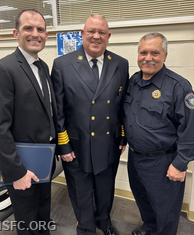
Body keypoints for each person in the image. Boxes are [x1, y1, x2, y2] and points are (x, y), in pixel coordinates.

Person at [51, 14, 129, 235]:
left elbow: (123, 105)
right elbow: (58, 111)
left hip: (109, 142)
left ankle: (104, 222)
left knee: (106, 189)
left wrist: (122, 136)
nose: (96, 36)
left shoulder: (120, 64)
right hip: (76, 144)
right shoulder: (62, 65)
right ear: (82, 34)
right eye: (91, 31)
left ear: (108, 36)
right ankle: (85, 228)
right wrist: (63, 146)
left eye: (101, 32)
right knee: (81, 191)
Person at [0, 9, 58, 235]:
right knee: (27, 222)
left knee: (42, 213)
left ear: (46, 35)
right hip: (21, 163)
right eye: (28, 28)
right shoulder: (3, 69)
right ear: (16, 33)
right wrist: (17, 173)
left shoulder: (43, 67)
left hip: (43, 159)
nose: (35, 33)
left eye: (40, 29)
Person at [123, 32, 194, 235]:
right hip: (136, 158)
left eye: (155, 52)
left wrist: (180, 164)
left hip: (163, 162)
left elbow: (191, 128)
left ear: (165, 55)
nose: (148, 57)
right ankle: (149, 228)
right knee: (143, 201)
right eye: (143, 52)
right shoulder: (133, 82)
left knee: (166, 211)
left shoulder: (179, 87)